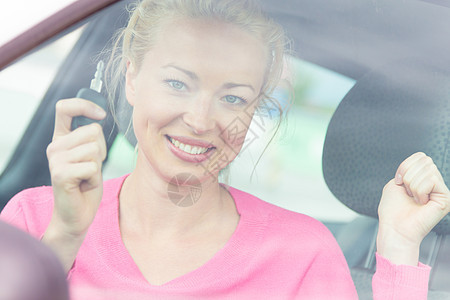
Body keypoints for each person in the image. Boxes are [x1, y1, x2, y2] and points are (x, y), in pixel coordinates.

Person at [1, 0, 449, 299]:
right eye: (178, 83)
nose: (201, 120)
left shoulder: (302, 253)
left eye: (233, 98)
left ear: (254, 110)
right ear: (132, 78)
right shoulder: (31, 223)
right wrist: (63, 239)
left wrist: (398, 248)